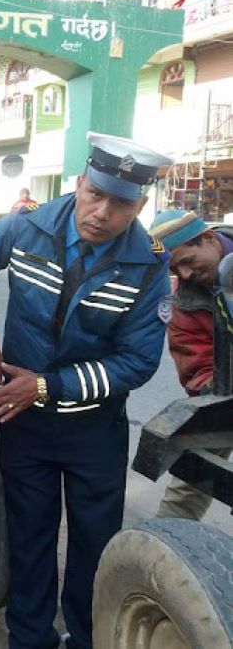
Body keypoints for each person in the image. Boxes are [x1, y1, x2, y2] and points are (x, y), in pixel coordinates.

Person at [0, 132, 173, 649]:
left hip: (94, 432)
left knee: (93, 546)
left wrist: (43, 385)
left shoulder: (149, 264)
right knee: (30, 538)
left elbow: (136, 363)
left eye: (121, 203)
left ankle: (85, 638)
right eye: (94, 194)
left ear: (141, 205)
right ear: (80, 183)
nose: (102, 212)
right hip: (27, 429)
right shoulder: (27, 228)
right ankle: (30, 638)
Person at [148, 209, 233, 520]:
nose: (183, 275)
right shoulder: (182, 307)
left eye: (187, 262)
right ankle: (162, 550)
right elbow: (196, 372)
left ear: (209, 239)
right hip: (228, 394)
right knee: (191, 481)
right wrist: (219, 389)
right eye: (174, 269)